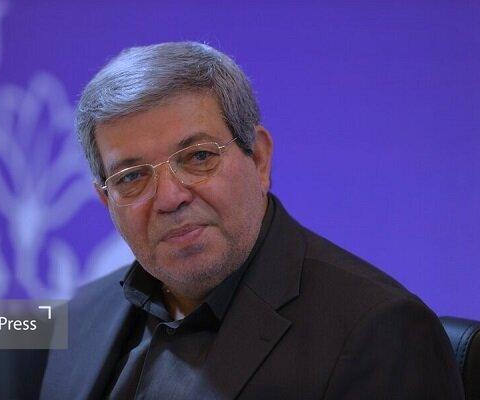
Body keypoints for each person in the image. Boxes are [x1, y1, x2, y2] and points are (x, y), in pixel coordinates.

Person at [40, 42, 464, 399]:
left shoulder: (379, 331)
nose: (169, 198)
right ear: (106, 200)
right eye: (132, 177)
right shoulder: (78, 317)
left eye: (198, 157)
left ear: (259, 158)